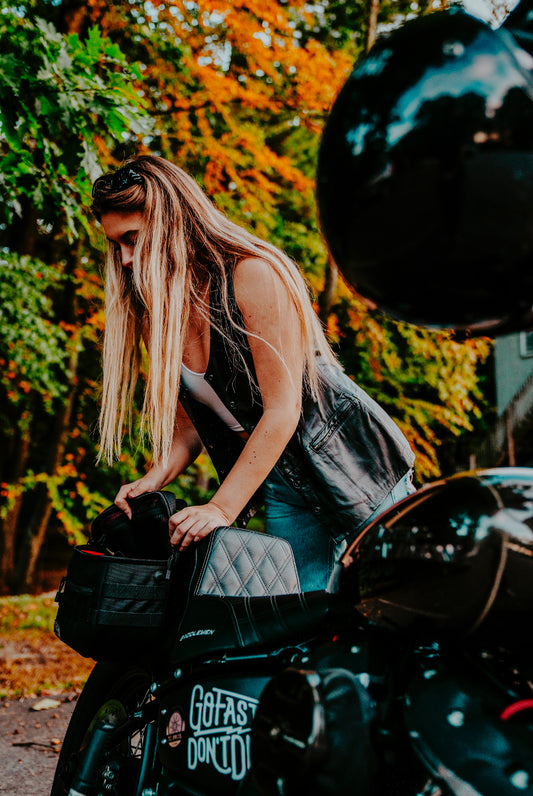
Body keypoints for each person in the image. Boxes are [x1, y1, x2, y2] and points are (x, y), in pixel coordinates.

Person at [91, 155, 415, 591]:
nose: (126, 260)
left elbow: (283, 411)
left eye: (132, 238)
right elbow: (187, 429)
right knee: (305, 622)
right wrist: (152, 478)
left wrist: (220, 510)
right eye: (118, 246)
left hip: (353, 465)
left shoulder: (252, 275)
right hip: (281, 481)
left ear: (171, 221)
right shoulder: (159, 318)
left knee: (397, 601)